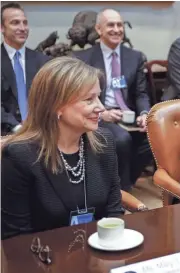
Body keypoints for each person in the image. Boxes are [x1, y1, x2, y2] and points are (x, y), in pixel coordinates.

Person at [1, 57, 125, 240]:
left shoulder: (104, 142)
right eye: (89, 99)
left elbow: (114, 211)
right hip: (43, 259)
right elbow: (17, 238)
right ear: (56, 106)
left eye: (98, 96)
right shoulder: (20, 156)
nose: (100, 107)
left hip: (99, 253)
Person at [74, 8, 153, 191]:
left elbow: (141, 94)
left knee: (153, 135)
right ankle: (122, 190)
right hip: (101, 114)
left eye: (120, 25)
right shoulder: (83, 58)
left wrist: (144, 114)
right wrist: (103, 114)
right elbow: (80, 97)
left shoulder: (135, 57)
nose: (117, 29)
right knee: (122, 139)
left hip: (129, 115)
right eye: (111, 25)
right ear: (99, 29)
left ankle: (123, 185)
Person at [1, 2, 50, 136]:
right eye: (15, 23)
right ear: (2, 27)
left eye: (25, 23)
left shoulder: (43, 61)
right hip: (5, 131)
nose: (22, 28)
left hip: (40, 131)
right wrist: (16, 127)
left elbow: (51, 99)